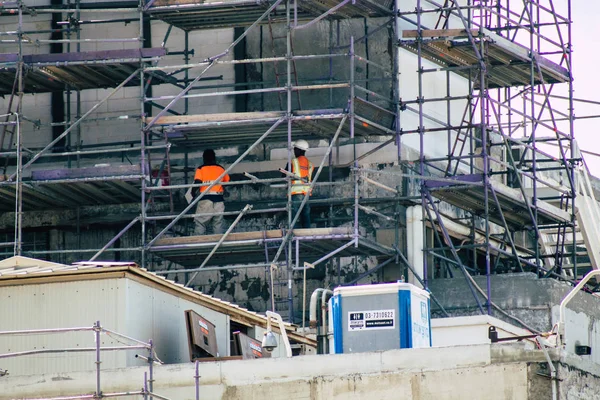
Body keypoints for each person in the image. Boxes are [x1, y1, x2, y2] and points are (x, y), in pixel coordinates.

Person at [193, 149, 230, 235]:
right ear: (214, 158)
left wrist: (192, 192)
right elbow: (226, 182)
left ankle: (198, 244)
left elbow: (197, 182)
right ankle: (219, 244)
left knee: (201, 223)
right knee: (218, 224)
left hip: (205, 199)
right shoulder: (221, 169)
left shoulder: (201, 169)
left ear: (204, 158)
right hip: (219, 199)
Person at [284, 139, 314, 229]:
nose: (294, 151)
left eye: (295, 149)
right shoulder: (310, 164)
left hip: (295, 193)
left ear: (298, 150)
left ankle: (292, 236)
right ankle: (306, 236)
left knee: (292, 218)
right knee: (305, 217)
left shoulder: (293, 162)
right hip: (306, 194)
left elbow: (283, 176)